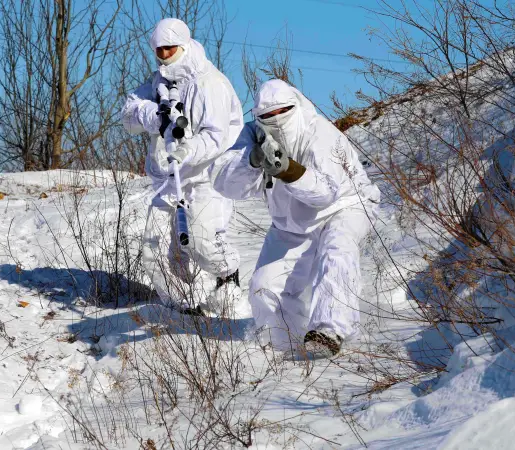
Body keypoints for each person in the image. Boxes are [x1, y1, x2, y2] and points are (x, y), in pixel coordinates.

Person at [211, 79, 380, 357]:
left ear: (296, 106)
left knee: (336, 251)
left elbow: (326, 193)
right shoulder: (253, 135)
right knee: (264, 286)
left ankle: (330, 330)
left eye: (282, 112)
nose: (275, 120)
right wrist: (251, 161)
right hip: (291, 223)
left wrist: (289, 171)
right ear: (257, 117)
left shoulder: (320, 133)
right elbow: (224, 183)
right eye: (267, 116)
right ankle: (288, 346)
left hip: (345, 207)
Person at [121, 18, 245, 317]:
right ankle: (183, 307)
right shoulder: (160, 82)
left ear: (184, 45)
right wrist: (155, 116)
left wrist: (188, 149)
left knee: (202, 243)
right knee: (155, 249)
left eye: (169, 48)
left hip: (205, 179)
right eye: (158, 50)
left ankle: (228, 279)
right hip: (168, 181)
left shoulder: (208, 83)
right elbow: (128, 114)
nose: (163, 55)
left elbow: (218, 135)